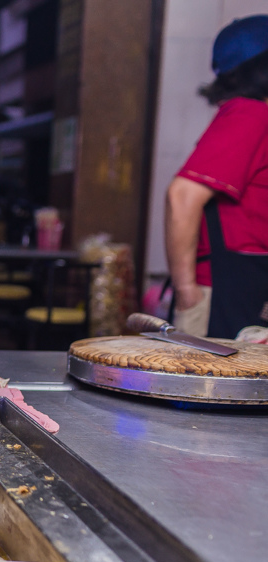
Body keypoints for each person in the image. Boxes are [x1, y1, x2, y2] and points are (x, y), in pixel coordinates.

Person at [165, 15, 268, 339]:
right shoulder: (250, 114)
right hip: (226, 289)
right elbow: (181, 196)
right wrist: (186, 290)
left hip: (247, 284)